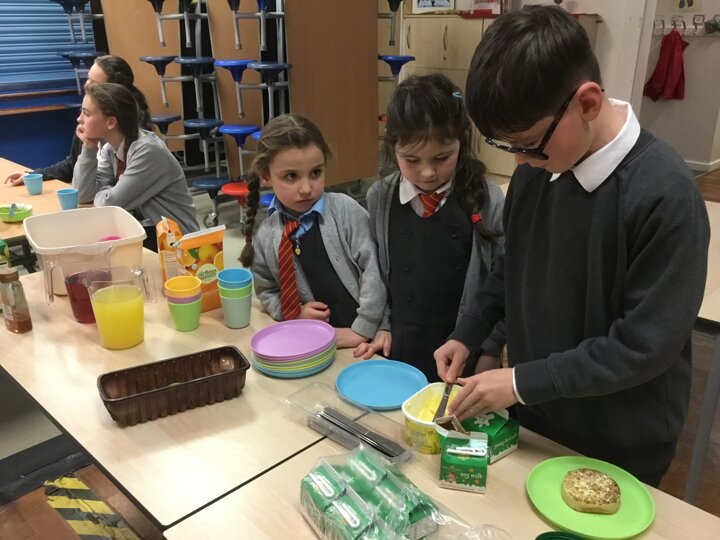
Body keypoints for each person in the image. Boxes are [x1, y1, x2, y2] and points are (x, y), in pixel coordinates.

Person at [434, 6, 710, 486]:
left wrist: (521, 381)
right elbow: (512, 267)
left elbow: (643, 347)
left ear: (587, 103)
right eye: (507, 147)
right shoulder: (540, 169)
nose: (520, 162)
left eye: (528, 144)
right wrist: (469, 331)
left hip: (621, 440)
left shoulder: (665, 196)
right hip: (539, 414)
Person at [354, 73, 505, 382]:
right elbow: (376, 273)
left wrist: (491, 348)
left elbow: (503, 280)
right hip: (399, 343)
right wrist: (382, 324)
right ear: (393, 147)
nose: (427, 172)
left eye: (441, 157)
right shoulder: (380, 197)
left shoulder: (487, 199)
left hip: (465, 347)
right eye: (412, 160)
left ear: (462, 142)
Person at [240, 114, 386, 349]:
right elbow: (267, 290)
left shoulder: (346, 211)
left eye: (316, 173)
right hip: (312, 345)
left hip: (366, 343)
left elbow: (375, 271)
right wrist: (294, 313)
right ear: (265, 176)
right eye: (291, 176)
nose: (307, 188)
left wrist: (363, 328)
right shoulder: (266, 236)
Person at [5, 55, 152, 186]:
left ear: (112, 90)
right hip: (95, 196)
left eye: (93, 82)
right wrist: (35, 175)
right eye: (88, 78)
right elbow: (72, 164)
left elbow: (119, 189)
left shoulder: (134, 139)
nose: (86, 85)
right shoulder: (91, 121)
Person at [72, 83, 199, 235]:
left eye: (86, 113)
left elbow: (108, 205)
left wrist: (103, 191)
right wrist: (89, 146)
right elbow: (82, 195)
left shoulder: (149, 151)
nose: (79, 119)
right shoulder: (110, 149)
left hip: (178, 242)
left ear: (111, 122)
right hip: (147, 233)